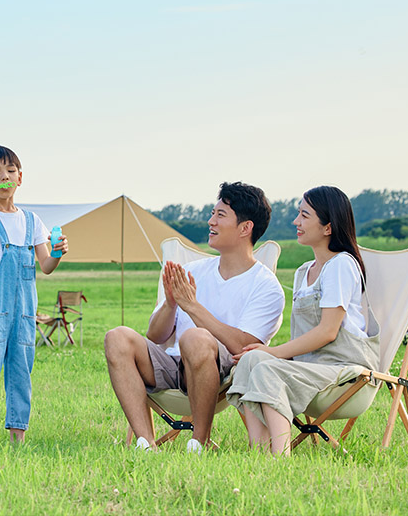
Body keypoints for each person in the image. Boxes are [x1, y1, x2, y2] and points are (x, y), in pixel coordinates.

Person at [104, 182, 285, 453]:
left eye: (220, 215)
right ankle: (145, 443)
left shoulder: (265, 285)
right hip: (173, 363)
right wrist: (170, 304)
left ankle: (198, 443)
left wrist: (192, 306)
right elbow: (155, 337)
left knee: (196, 338)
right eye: (213, 213)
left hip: (223, 371)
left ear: (245, 228)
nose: (211, 221)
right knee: (116, 337)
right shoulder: (193, 270)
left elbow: (244, 346)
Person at [227, 186, 380, 456]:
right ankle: (259, 448)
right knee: (247, 362)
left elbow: (328, 332)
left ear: (328, 227)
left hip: (346, 372)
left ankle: (280, 455)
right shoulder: (303, 272)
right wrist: (265, 354)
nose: (296, 222)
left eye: (304, 215)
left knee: (266, 367)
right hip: (310, 370)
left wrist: (273, 353)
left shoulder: (341, 265)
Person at [0, 145, 68, 443]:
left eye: (10, 170)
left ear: (20, 177)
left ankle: (18, 433)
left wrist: (57, 252)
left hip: (24, 311)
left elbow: (45, 266)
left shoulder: (31, 221)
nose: (4, 176)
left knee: (21, 370)